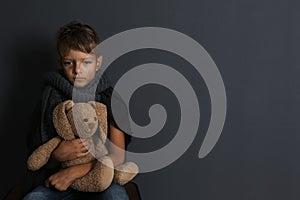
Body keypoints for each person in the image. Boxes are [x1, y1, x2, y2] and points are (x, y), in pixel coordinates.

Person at [22, 20, 132, 200]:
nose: (77, 70)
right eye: (68, 63)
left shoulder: (111, 99)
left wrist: (75, 171)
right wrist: (57, 156)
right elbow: (40, 160)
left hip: (101, 180)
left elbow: (118, 156)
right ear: (60, 62)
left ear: (98, 63)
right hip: (59, 181)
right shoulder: (51, 96)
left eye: (86, 62)